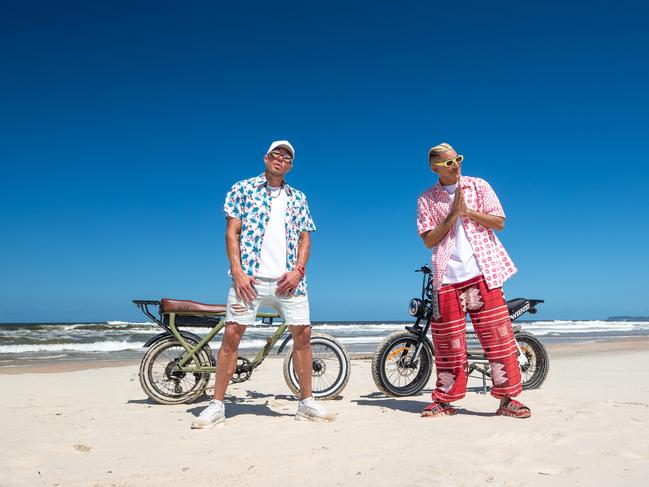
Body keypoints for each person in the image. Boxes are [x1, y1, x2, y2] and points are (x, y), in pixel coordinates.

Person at [191, 140, 335, 429]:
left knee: (303, 336)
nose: (280, 159)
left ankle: (306, 403)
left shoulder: (298, 198)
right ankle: (217, 405)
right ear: (266, 157)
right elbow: (231, 233)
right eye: (276, 154)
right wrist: (238, 272)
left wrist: (298, 271)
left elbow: (306, 237)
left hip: (289, 282)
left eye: (287, 157)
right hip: (250, 279)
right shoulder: (243, 188)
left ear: (291, 166)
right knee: (232, 334)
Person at [416, 142, 531, 419]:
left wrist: (468, 212)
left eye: (457, 159)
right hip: (447, 278)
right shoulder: (426, 199)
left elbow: (499, 222)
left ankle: (508, 400)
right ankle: (444, 401)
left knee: (498, 340)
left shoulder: (479, 186)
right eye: (447, 163)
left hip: (483, 273)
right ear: (434, 168)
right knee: (448, 344)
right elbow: (429, 239)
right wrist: (453, 214)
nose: (455, 165)